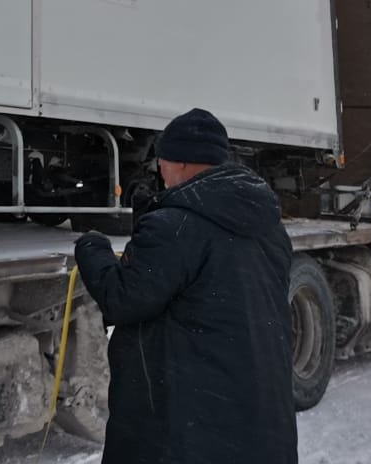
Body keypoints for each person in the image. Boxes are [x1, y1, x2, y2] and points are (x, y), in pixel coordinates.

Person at [74, 108, 297, 464]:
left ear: (179, 163)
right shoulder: (268, 225)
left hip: (190, 428)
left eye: (161, 161)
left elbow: (123, 299)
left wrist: (92, 248)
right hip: (254, 416)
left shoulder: (174, 226)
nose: (159, 171)